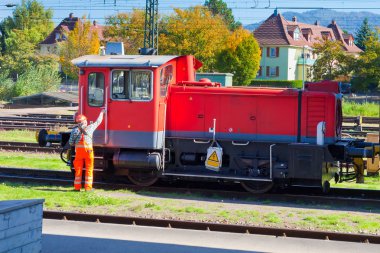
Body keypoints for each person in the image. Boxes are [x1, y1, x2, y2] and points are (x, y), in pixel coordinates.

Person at [69, 109, 105, 191]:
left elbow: (71, 143)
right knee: (89, 169)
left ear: (77, 122)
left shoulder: (74, 130)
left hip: (79, 152)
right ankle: (88, 188)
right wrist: (102, 113)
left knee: (78, 169)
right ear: (85, 121)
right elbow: (98, 122)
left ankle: (77, 187)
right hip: (89, 151)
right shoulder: (90, 128)